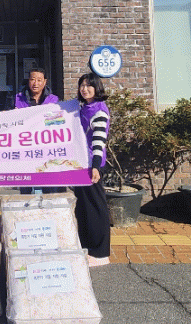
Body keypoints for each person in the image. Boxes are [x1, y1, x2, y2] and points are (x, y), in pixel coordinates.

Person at [73, 72, 111, 267]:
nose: (85, 89)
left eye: (89, 85)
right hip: (81, 163)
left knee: (96, 208)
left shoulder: (99, 110)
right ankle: (87, 247)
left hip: (93, 165)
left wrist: (96, 166)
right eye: (82, 85)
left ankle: (101, 253)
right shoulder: (83, 108)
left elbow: (99, 141)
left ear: (97, 88)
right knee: (83, 208)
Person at [15, 68, 61, 193]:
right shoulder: (17, 99)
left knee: (49, 186)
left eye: (39, 80)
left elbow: (57, 123)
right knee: (25, 187)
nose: (35, 83)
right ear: (28, 81)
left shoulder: (54, 100)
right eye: (32, 79)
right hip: (25, 148)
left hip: (47, 148)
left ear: (45, 82)